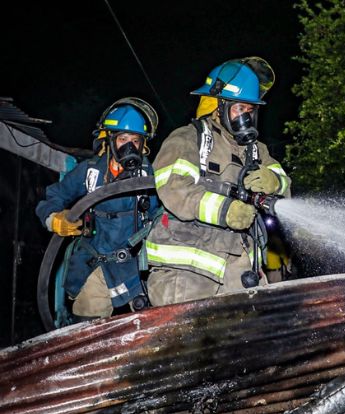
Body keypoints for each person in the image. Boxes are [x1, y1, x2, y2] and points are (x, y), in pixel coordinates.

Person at [145, 60, 291, 305]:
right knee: (186, 332)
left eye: (250, 110)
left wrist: (276, 182)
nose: (245, 116)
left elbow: (286, 191)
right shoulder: (188, 138)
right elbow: (174, 188)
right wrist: (225, 210)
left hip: (240, 271)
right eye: (239, 108)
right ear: (218, 106)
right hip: (187, 273)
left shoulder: (257, 151)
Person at [36, 99, 159, 320]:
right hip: (95, 265)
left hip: (136, 267)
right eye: (123, 139)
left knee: (149, 324)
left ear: (143, 145)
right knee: (86, 328)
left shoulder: (151, 177)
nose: (130, 147)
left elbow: (162, 216)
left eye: (135, 140)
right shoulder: (90, 172)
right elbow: (53, 196)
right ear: (110, 140)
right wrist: (53, 219)